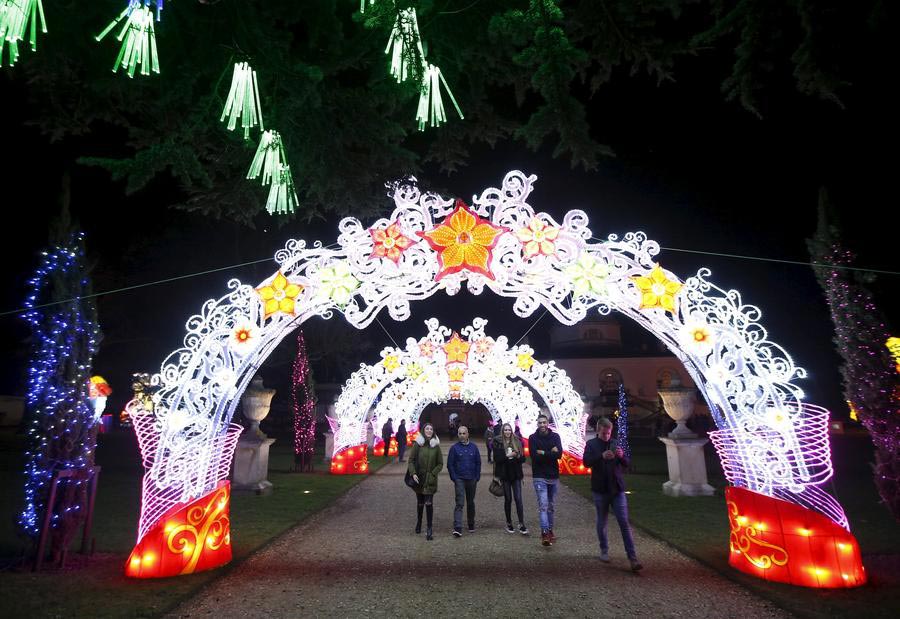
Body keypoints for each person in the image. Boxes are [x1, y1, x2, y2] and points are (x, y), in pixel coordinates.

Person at [582, 417, 642, 572]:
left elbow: (627, 464)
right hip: (600, 489)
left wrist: (622, 456)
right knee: (602, 522)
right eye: (604, 433)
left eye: (609, 433)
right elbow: (586, 462)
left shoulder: (615, 443)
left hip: (617, 489)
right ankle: (604, 550)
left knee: (624, 523)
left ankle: (632, 557)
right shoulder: (591, 444)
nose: (607, 436)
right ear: (598, 431)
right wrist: (600, 456)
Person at [528, 414, 562, 546]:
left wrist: (543, 452)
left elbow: (559, 454)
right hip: (539, 476)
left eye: (544, 422)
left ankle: (550, 530)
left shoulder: (555, 437)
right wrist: (550, 452)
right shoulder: (533, 438)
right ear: (537, 424)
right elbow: (534, 456)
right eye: (540, 423)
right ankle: (544, 533)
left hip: (553, 475)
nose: (542, 425)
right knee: (543, 506)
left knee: (551, 506)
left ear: (548, 423)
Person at [408, 423, 443, 540]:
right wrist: (413, 473)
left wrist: (433, 474)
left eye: (431, 429)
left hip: (431, 479)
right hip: (419, 478)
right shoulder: (418, 444)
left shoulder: (436, 446)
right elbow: (411, 460)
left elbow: (440, 463)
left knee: (429, 503)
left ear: (433, 431)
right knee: (420, 503)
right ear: (423, 430)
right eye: (427, 429)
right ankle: (419, 522)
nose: (429, 430)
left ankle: (429, 529)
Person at [493, 422, 528, 535]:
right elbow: (497, 459)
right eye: (505, 430)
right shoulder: (498, 442)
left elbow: (523, 459)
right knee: (508, 499)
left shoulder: (517, 441)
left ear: (511, 431)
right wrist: (508, 456)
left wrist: (517, 455)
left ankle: (521, 523)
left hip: (516, 474)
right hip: (505, 474)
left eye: (509, 430)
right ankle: (509, 523)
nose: (507, 432)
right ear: (502, 431)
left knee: (518, 499)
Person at [447, 425, 481, 536]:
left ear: (467, 434)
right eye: (460, 433)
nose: (462, 435)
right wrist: (454, 477)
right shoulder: (454, 448)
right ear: (458, 435)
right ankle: (458, 526)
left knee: (470, 502)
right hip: (460, 479)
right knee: (460, 502)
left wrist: (477, 476)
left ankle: (471, 523)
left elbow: (478, 462)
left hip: (472, 479)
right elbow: (450, 464)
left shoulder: (474, 447)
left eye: (464, 433)